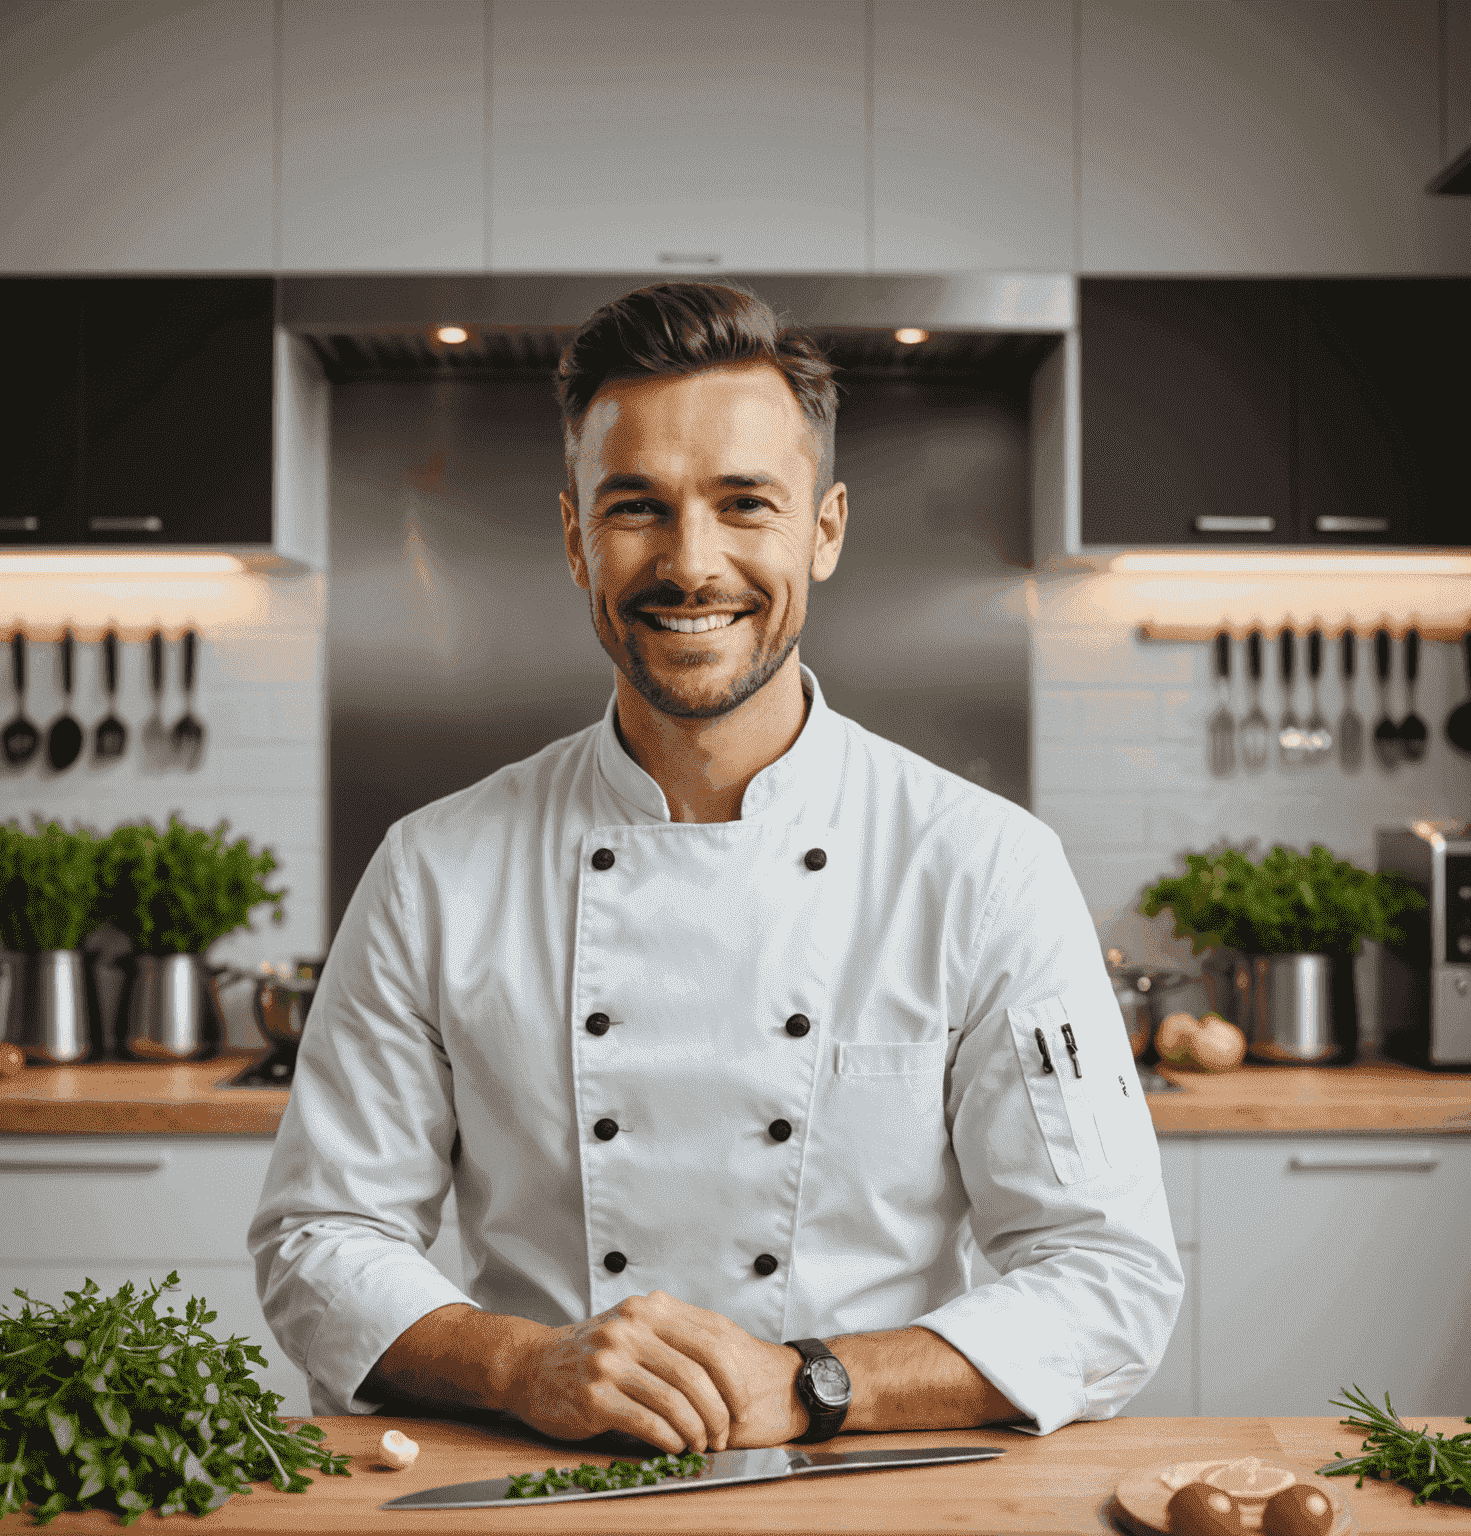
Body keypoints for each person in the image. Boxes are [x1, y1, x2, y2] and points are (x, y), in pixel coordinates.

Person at [248, 282, 1182, 1453]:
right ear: (576, 534)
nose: (692, 565)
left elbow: (1109, 1278)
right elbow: (316, 1241)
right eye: (637, 506)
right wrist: (525, 1363)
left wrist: (813, 1385)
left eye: (746, 504)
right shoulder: (435, 868)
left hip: (870, 1497)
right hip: (537, 1490)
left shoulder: (984, 866)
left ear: (825, 528)